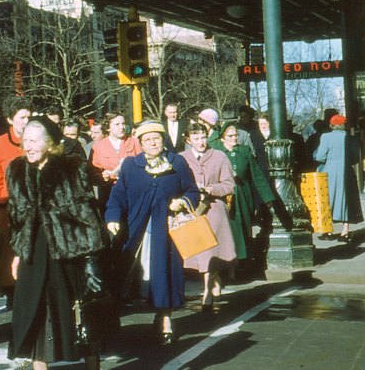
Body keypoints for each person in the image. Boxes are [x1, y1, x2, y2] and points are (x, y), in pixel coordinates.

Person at [7, 119, 108, 369]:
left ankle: (92, 364)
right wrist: (18, 253)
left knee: (80, 317)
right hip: (34, 255)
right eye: (24, 140)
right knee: (35, 317)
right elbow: (17, 218)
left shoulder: (71, 168)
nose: (27, 146)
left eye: (33, 140)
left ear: (50, 144)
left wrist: (91, 263)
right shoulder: (17, 170)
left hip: (68, 255)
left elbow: (87, 218)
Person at [105, 121, 199, 345]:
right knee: (124, 275)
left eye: (156, 138)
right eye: (147, 140)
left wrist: (182, 201)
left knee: (164, 275)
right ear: (140, 143)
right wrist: (112, 218)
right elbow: (118, 196)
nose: (153, 143)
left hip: (164, 234)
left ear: (163, 139)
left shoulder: (177, 162)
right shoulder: (130, 166)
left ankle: (165, 319)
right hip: (135, 233)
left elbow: (192, 190)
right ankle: (112, 323)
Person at [179, 122, 236, 309]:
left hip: (214, 209)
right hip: (192, 210)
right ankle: (215, 278)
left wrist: (211, 189)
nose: (201, 142)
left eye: (203, 137)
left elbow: (229, 185)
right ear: (188, 140)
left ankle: (207, 292)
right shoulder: (181, 159)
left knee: (209, 252)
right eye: (196, 138)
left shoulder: (219, 157)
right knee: (200, 253)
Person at [214, 122, 276, 275]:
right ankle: (229, 268)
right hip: (226, 196)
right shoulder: (217, 153)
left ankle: (243, 264)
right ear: (222, 138)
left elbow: (257, 176)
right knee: (230, 230)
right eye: (230, 136)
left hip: (244, 195)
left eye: (236, 135)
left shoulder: (245, 151)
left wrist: (268, 198)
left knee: (244, 228)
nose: (234, 138)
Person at [0, 95, 31, 309]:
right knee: (9, 256)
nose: (26, 121)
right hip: (8, 209)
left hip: (33, 209)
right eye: (21, 117)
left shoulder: (36, 138)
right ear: (10, 119)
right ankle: (12, 294)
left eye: (29, 116)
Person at [314, 115, 364, 242]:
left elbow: (320, 156)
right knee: (345, 200)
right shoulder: (350, 138)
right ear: (345, 125)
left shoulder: (326, 137)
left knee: (327, 199)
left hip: (328, 171)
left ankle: (328, 231)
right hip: (346, 171)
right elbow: (356, 159)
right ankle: (345, 231)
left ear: (331, 125)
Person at [91, 112, 142, 215]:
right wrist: (102, 176)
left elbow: (142, 165)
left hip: (132, 193)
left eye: (123, 123)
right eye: (117, 124)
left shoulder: (135, 142)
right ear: (108, 128)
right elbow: (93, 172)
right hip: (109, 194)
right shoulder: (98, 146)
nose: (122, 127)